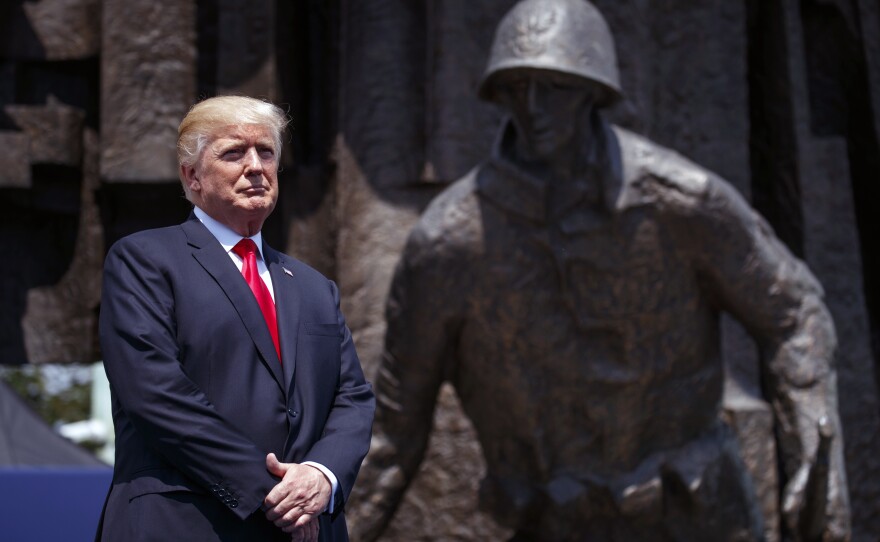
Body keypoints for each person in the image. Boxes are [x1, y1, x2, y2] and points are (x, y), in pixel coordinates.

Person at [352, 0, 849, 540]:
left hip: (698, 518)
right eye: (519, 87)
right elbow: (392, 434)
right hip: (558, 524)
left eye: (557, 86)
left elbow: (792, 311)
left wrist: (812, 429)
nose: (536, 106)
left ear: (593, 91)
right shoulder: (449, 245)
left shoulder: (682, 203)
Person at [97, 95, 375, 542]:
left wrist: (321, 477)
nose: (255, 166)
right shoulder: (144, 261)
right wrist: (278, 496)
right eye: (233, 153)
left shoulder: (313, 287)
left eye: (266, 152)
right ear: (192, 177)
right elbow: (156, 393)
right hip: (186, 524)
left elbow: (353, 398)